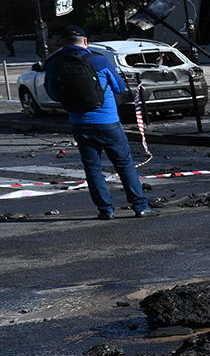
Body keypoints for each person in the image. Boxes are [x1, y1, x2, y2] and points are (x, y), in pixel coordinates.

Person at [44, 28, 149, 219]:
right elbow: (119, 87)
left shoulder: (53, 63)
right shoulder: (98, 60)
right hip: (107, 121)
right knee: (124, 165)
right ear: (85, 41)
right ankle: (140, 206)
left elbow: (52, 93)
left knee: (92, 168)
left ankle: (105, 210)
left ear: (63, 43)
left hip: (79, 123)